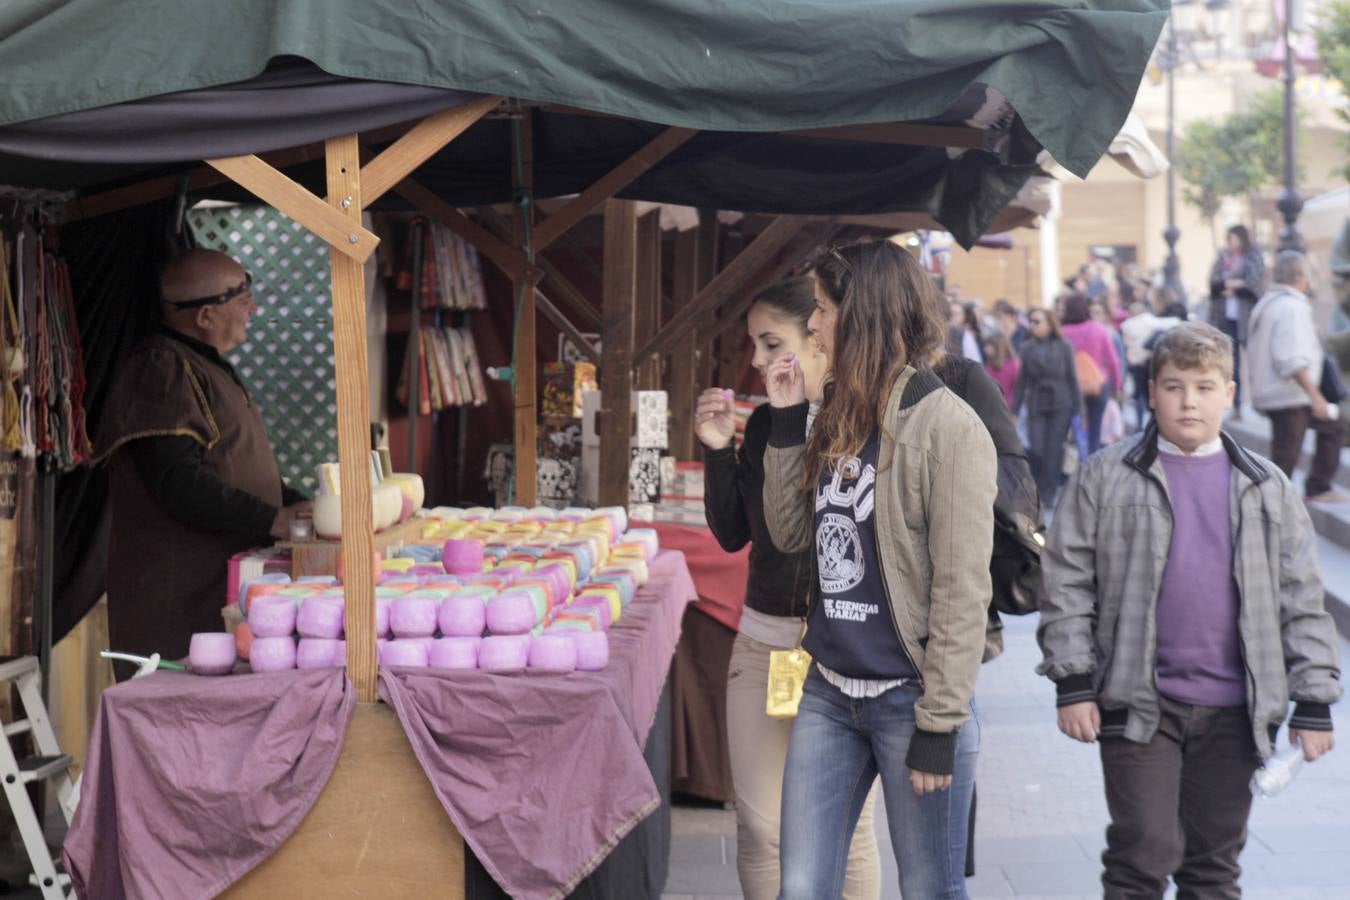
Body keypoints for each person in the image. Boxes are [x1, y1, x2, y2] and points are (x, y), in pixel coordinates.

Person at [1037, 322, 1341, 899]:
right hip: (1137, 701)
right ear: (1152, 391)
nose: (1189, 401)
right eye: (1174, 386)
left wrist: (1315, 702)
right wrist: (1072, 683)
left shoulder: (1266, 486)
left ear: (1229, 393)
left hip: (1235, 711)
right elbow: (1066, 583)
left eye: (1204, 387)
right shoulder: (1106, 475)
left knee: (1212, 865)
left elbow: (1302, 598)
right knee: (1142, 853)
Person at [764, 240, 997, 899]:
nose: (812, 325)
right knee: (802, 888)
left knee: (928, 889)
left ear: (860, 314)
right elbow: (787, 535)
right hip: (830, 691)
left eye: (822, 310)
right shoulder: (834, 413)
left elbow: (960, 588)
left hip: (911, 700)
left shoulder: (948, 430)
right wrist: (786, 423)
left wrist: (940, 724)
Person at [695, 277, 881, 900]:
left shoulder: (863, 424)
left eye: (770, 342)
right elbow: (733, 535)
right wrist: (718, 450)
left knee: (850, 831)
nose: (754, 360)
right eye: (753, 344)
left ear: (818, 335)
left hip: (842, 654)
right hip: (763, 642)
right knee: (761, 825)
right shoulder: (766, 423)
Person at [95, 249, 309, 678]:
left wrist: (298, 504)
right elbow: (177, 482)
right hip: (178, 601)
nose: (254, 307)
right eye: (243, 295)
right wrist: (272, 519)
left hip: (214, 593)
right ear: (206, 316)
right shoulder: (162, 367)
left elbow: (230, 463)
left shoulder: (200, 366)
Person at [1246, 250, 1348, 503]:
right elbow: (1291, 360)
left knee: (1331, 429)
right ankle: (1271, 503)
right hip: (1289, 395)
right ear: (1299, 276)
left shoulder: (1268, 303)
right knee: (1285, 456)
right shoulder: (1291, 307)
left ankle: (1314, 487)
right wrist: (1316, 398)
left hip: (1277, 393)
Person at [1014, 309, 1082, 508]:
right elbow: (1021, 382)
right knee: (1036, 449)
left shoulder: (1065, 347)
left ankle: (1049, 492)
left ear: (1050, 324)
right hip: (1036, 402)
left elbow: (1073, 379)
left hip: (1061, 403)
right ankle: (1039, 487)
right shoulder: (1027, 348)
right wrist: (1014, 411)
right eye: (1031, 321)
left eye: (1037, 321)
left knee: (1054, 450)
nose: (1033, 325)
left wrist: (1079, 411)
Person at [1207, 224, 1266, 413]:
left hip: (1247, 317)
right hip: (1225, 317)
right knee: (1232, 361)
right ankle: (1237, 402)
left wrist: (1232, 286)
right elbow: (1213, 284)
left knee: (1255, 360)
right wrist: (1233, 284)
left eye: (1232, 238)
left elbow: (1254, 284)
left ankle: (1259, 402)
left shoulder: (1253, 256)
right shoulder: (1222, 258)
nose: (1229, 243)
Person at [1061, 293, 1122, 455]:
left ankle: (1079, 458)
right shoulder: (1098, 329)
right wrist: (1116, 386)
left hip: (1071, 388)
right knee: (1096, 426)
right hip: (1097, 385)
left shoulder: (1061, 333)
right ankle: (1092, 461)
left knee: (1076, 428)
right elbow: (1113, 361)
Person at [1119, 301, 1182, 431]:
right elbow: (1170, 322)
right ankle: (1152, 423)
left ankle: (1139, 423)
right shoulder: (1147, 321)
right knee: (1150, 394)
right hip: (1147, 362)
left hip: (1135, 363)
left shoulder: (1126, 326)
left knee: (1138, 395)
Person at [981, 332, 1019, 409]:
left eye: (989, 346)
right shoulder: (988, 366)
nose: (985, 349)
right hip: (991, 406)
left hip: (1007, 407)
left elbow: (1016, 389)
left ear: (998, 347)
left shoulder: (1013, 366)